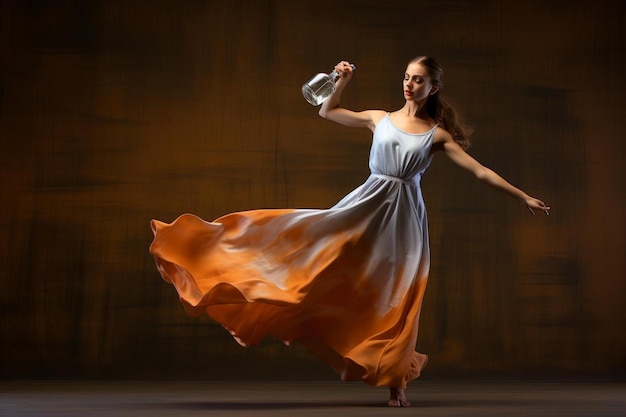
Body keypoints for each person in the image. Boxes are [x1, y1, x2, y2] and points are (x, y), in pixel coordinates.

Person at [149, 56, 550, 407]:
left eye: (419, 80)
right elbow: (328, 112)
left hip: (404, 221)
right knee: (310, 253)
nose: (410, 84)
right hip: (364, 206)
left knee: (398, 296)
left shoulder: (436, 135)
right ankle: (243, 286)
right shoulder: (380, 119)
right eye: (407, 77)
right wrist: (341, 80)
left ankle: (395, 384)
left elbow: (479, 170)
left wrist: (523, 197)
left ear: (434, 87)